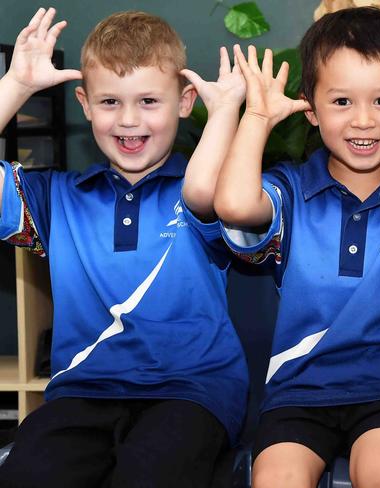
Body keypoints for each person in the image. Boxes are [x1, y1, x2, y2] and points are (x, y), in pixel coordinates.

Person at [208, 6, 380, 488]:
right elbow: (232, 205)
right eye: (342, 102)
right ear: (310, 108)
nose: (364, 121)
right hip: (298, 392)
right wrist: (258, 117)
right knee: (276, 477)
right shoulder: (288, 190)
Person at [0, 8, 248, 488]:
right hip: (83, 391)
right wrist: (16, 86)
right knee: (28, 473)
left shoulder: (211, 191)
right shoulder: (56, 199)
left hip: (191, 393)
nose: (129, 120)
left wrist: (227, 114)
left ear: (185, 101)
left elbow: (230, 202)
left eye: (149, 100)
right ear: (85, 104)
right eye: (110, 101)